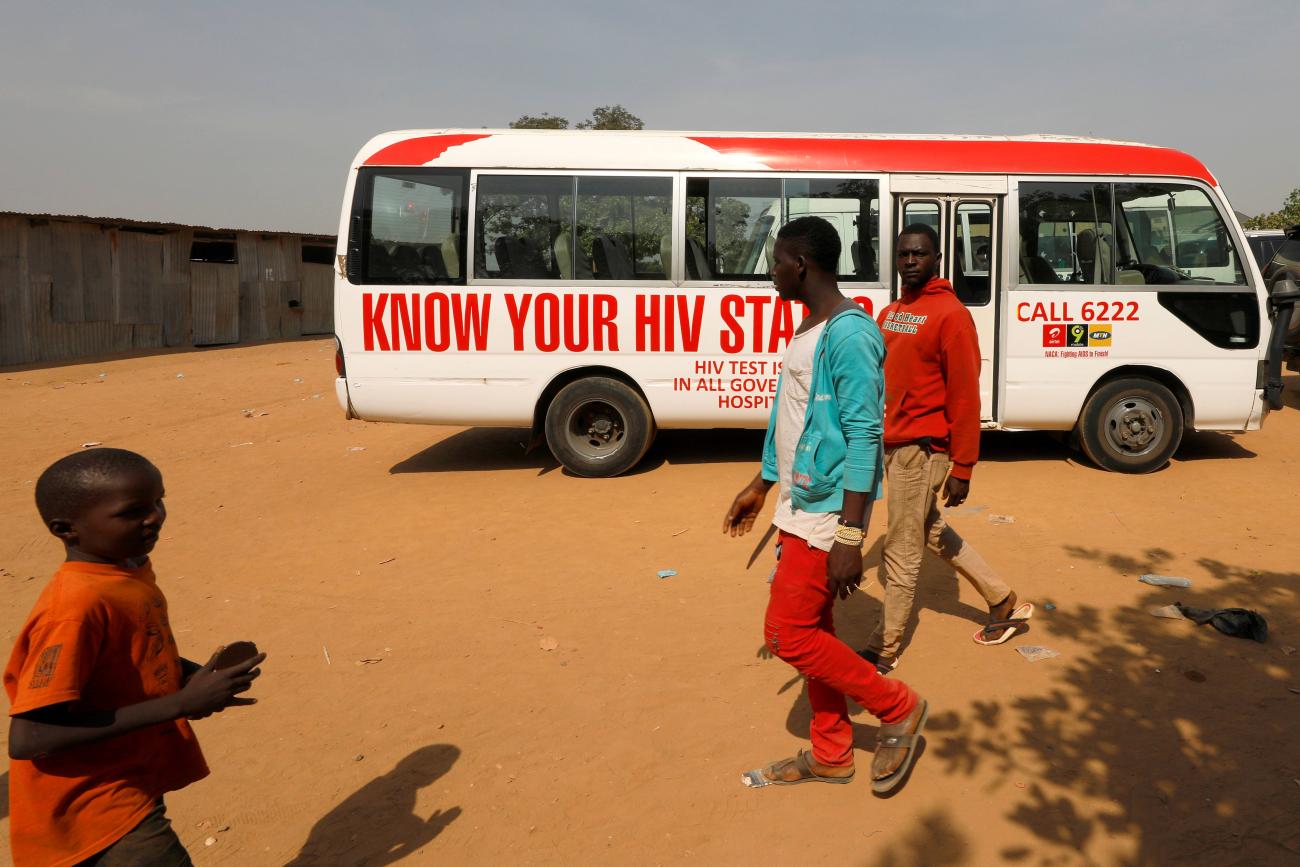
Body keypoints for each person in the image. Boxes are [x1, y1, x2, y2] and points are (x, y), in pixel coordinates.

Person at [723, 217, 928, 794]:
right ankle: (832, 753)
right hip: (798, 503)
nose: (771, 272)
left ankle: (899, 707)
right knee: (813, 628)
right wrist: (762, 485)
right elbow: (791, 416)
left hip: (826, 516)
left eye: (777, 261)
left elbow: (865, 437)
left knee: (788, 634)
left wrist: (849, 535)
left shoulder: (850, 334)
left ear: (801, 265)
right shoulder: (809, 324)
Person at [5, 448, 266, 866]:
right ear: (66, 529)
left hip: (130, 774)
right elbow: (31, 737)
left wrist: (189, 677)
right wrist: (179, 704)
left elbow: (135, 648)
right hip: (91, 802)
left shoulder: (126, 569)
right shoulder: (74, 608)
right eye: (133, 512)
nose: (155, 517)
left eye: (158, 501)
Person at [859, 225, 1031, 674]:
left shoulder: (951, 315)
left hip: (923, 447)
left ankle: (885, 645)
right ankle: (1001, 598)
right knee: (930, 530)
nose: (909, 261)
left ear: (936, 257)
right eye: (902, 254)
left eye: (918, 254)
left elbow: (965, 396)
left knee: (901, 547)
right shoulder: (893, 311)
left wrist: (964, 466)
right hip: (895, 443)